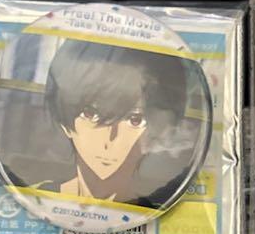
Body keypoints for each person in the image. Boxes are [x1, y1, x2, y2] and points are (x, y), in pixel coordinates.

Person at [44, 40, 189, 206]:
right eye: (91, 114)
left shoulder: (156, 209)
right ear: (65, 120)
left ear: (159, 133)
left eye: (134, 120)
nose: (110, 140)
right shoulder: (37, 196)